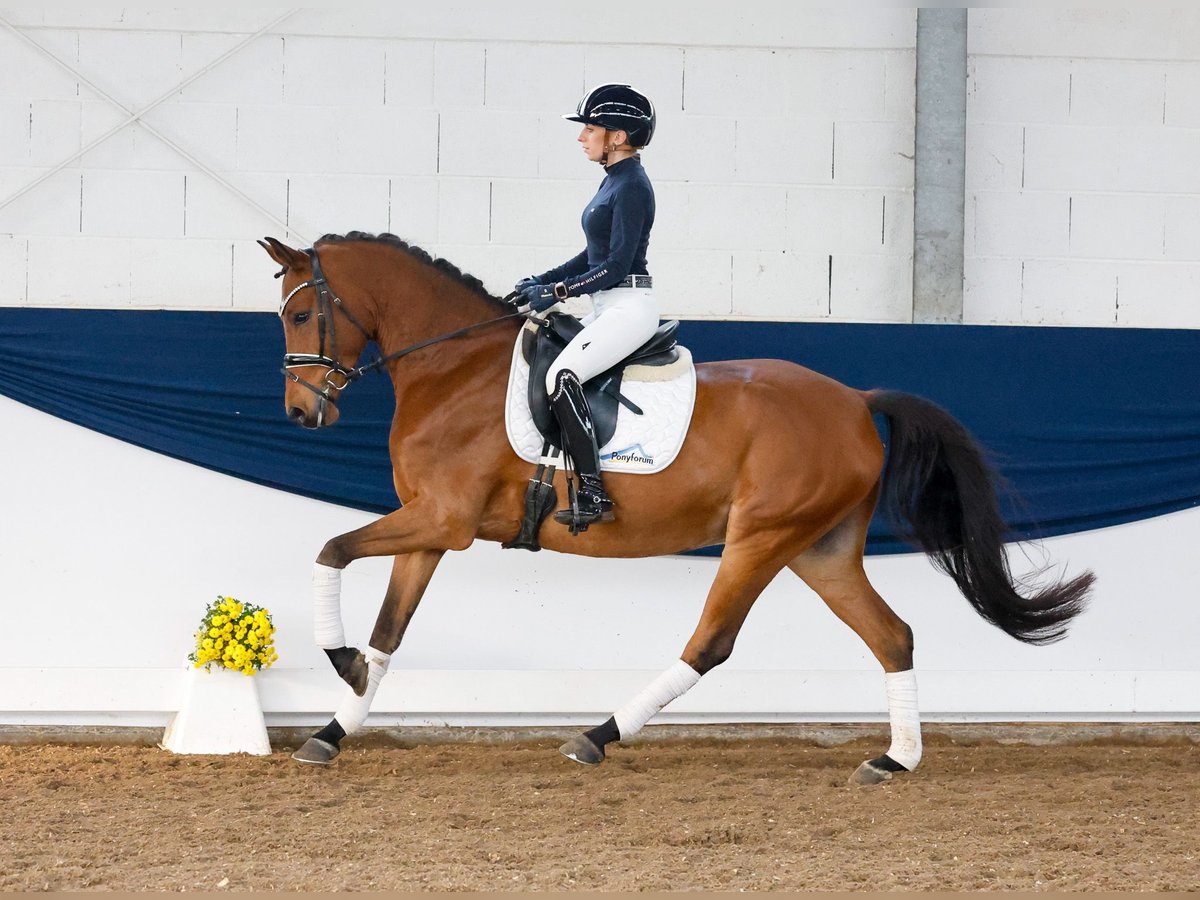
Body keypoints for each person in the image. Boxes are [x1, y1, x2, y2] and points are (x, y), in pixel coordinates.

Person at [514, 83, 659, 530]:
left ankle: (594, 493)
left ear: (617, 136)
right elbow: (591, 256)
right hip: (606, 303)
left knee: (563, 376)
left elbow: (615, 265)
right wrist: (545, 279)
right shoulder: (612, 180)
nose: (582, 137)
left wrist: (559, 294)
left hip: (629, 305)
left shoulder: (632, 183)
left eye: (590, 128)